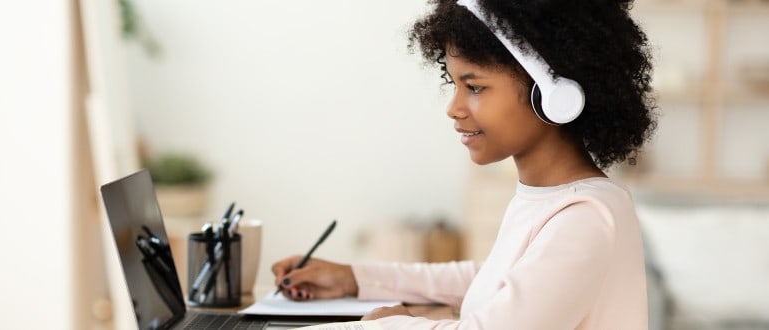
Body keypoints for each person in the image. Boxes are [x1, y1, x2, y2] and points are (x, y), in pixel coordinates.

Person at [272, 0, 656, 328]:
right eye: (453, 84)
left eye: (474, 87)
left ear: (552, 94)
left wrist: (393, 322)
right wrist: (354, 278)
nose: (453, 109)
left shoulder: (587, 217)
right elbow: (494, 279)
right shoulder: (551, 198)